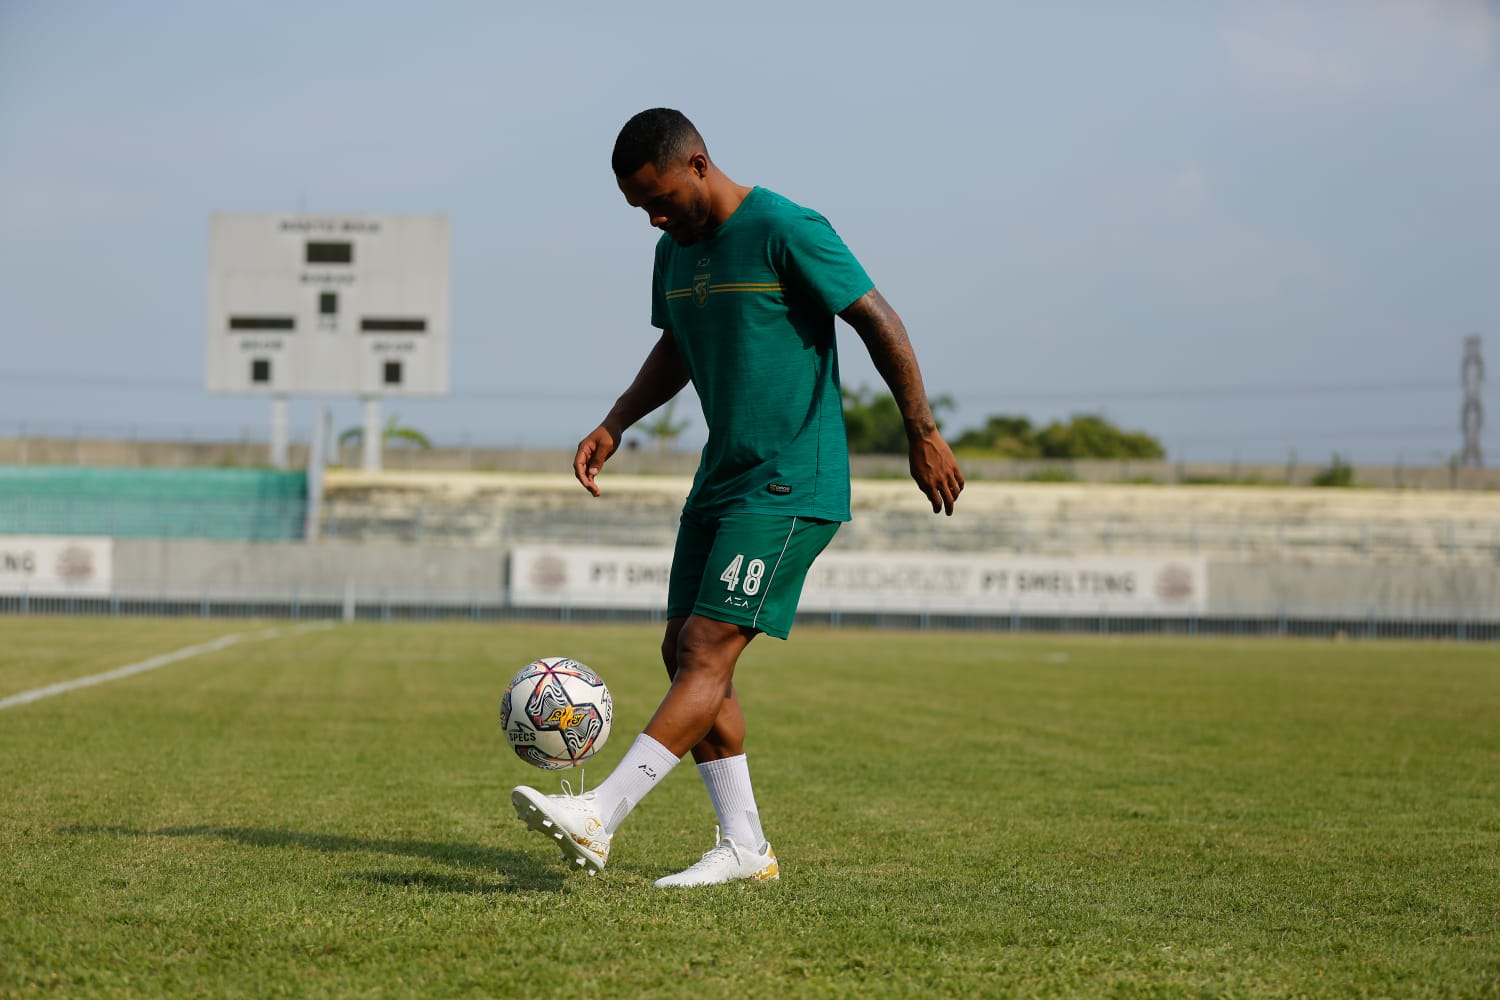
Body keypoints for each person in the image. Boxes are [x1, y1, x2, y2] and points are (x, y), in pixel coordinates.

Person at [512, 108, 963, 887]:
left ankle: (601, 815)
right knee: (680, 650)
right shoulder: (672, 252)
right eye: (639, 209)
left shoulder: (787, 226)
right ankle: (745, 848)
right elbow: (677, 345)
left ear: (698, 165)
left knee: (705, 652)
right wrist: (616, 422)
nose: (655, 218)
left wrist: (921, 431)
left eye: (661, 200)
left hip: (792, 478)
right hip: (721, 478)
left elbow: (878, 319)